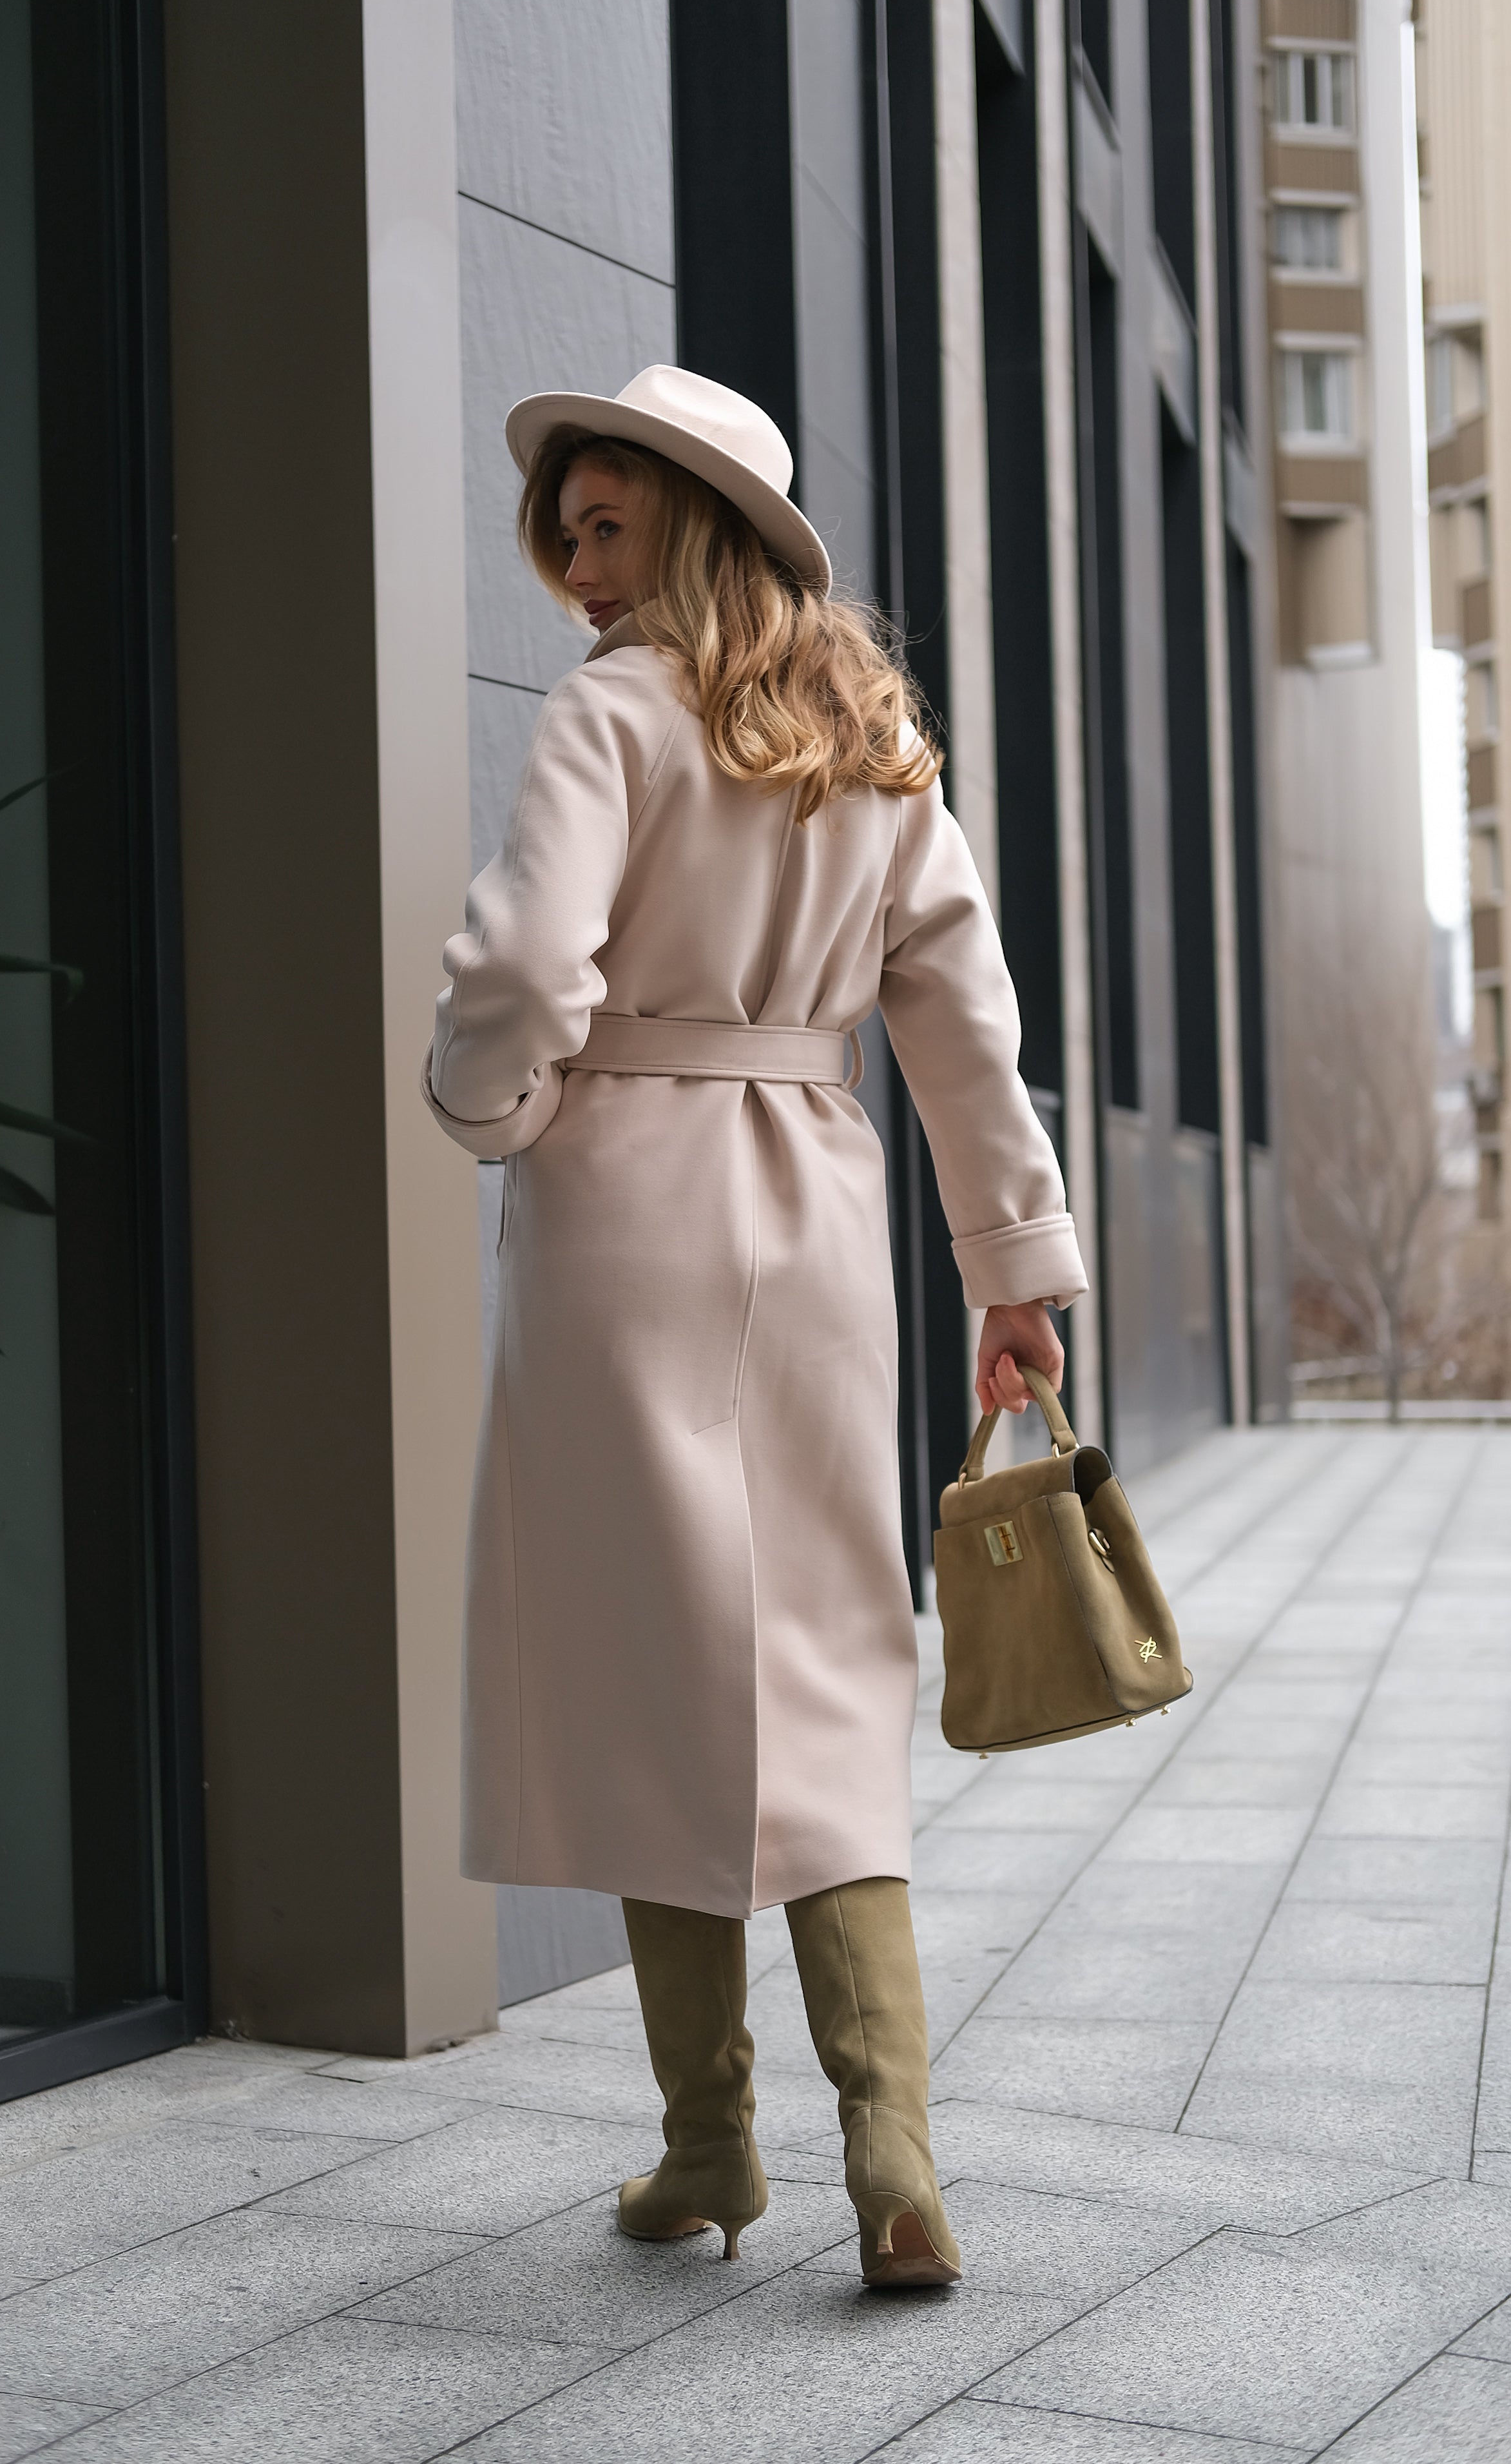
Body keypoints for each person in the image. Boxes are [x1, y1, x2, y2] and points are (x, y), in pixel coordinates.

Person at [424, 366, 1087, 2289]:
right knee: (812, 1654)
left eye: (607, 524)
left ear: (694, 527)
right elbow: (962, 1021)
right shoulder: (873, 743)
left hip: (622, 1205)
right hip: (810, 1205)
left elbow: (519, 969)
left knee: (649, 1658)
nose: (575, 563)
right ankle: (893, 2153)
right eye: (568, 531)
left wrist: (493, 1109)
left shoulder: (609, 714)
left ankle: (709, 2147)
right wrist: (1013, 1269)